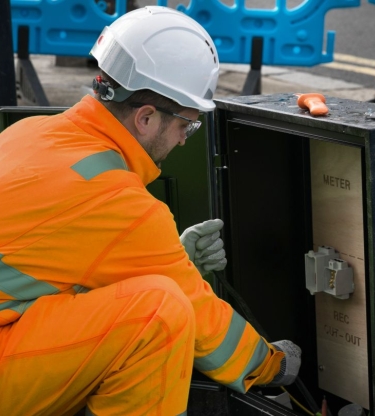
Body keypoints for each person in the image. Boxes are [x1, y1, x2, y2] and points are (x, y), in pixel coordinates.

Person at [0, 6, 301, 416]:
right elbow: (206, 326)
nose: (182, 142)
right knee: (160, 311)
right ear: (145, 117)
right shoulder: (119, 202)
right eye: (186, 127)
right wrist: (274, 366)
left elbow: (53, 260)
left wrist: (159, 259)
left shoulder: (28, 132)